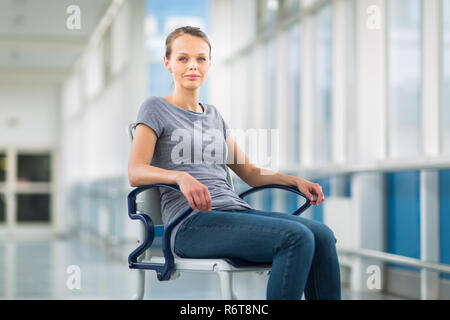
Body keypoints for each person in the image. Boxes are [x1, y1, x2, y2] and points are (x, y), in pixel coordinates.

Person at [128, 26, 341, 300]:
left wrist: (294, 180)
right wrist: (180, 177)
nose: (193, 66)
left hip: (234, 213)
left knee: (322, 235)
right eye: (183, 58)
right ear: (167, 63)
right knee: (296, 237)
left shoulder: (214, 115)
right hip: (190, 224)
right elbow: (136, 171)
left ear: (209, 64)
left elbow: (249, 172)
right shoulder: (155, 107)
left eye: (201, 58)